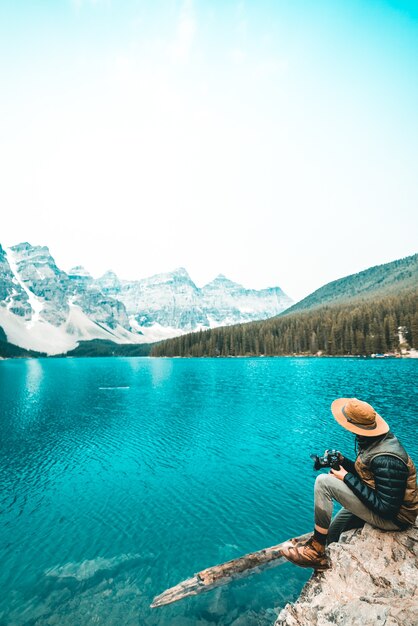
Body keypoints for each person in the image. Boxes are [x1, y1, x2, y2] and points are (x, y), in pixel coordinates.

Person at [282, 397, 418, 571]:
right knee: (333, 532)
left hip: (395, 519)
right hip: (379, 503)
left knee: (323, 482)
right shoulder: (376, 440)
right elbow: (371, 476)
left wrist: (346, 477)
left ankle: (315, 550)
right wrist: (343, 461)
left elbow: (387, 508)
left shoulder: (387, 459)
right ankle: (323, 561)